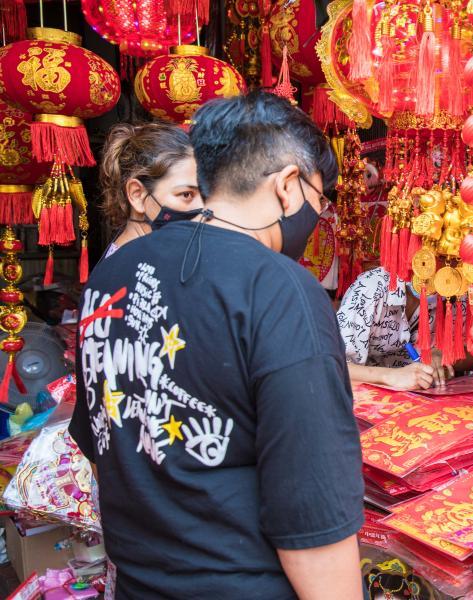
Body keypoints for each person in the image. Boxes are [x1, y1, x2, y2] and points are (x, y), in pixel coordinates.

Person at [70, 91, 364, 600]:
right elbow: (311, 516)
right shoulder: (280, 288)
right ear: (289, 187)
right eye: (321, 200)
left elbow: (100, 439)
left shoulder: (109, 275)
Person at [337, 267, 470, 390]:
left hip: (418, 399)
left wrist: (443, 354)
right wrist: (389, 376)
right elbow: (332, 366)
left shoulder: (453, 292)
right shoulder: (371, 288)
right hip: (363, 398)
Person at [99, 122, 202, 258]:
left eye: (205, 194)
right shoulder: (130, 269)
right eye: (186, 194)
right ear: (138, 195)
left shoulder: (153, 256)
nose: (202, 206)